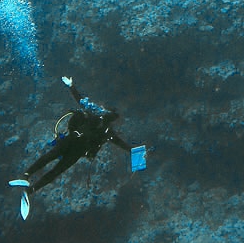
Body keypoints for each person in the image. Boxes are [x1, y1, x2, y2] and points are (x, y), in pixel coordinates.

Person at [8, 76, 146, 220]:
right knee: (55, 168)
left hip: (73, 144)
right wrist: (71, 86)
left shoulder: (102, 124)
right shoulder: (105, 128)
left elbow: (79, 100)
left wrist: (71, 85)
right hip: (75, 148)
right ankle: (29, 185)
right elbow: (124, 145)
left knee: (51, 160)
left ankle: (28, 182)